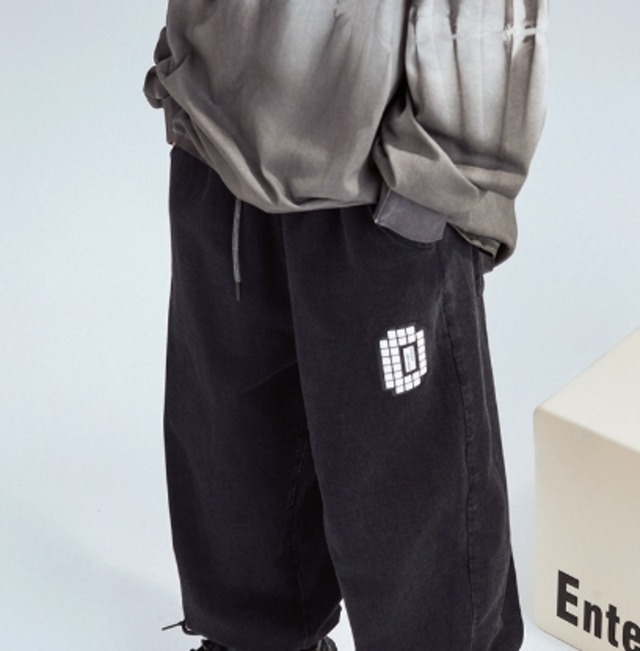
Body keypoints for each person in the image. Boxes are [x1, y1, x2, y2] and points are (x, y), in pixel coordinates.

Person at [143, 2, 549, 650]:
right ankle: (254, 638)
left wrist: (449, 179)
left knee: (407, 488)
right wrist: (185, 70)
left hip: (380, 175)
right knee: (232, 433)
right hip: (221, 118)